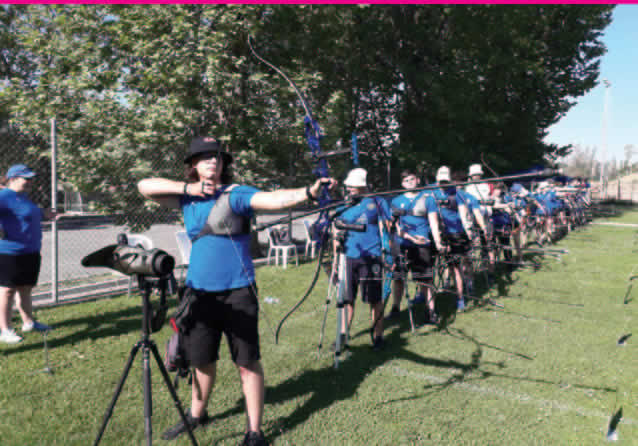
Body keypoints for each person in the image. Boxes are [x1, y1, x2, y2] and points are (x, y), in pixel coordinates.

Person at [138, 136, 336, 445]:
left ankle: (254, 431)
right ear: (193, 165)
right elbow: (144, 186)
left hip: (238, 292)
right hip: (198, 293)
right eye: (204, 157)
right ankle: (197, 415)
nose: (212, 161)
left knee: (247, 361)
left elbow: (274, 199)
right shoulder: (186, 198)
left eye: (216, 157)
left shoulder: (237, 194)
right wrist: (189, 189)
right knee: (201, 359)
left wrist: (308, 192)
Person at [333, 167, 391, 350]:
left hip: (372, 256)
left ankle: (378, 336)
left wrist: (390, 252)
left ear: (363, 186)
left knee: (375, 299)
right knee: (347, 299)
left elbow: (388, 226)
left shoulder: (378, 201)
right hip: (349, 256)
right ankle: (343, 335)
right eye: (348, 186)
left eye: (352, 186)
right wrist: (335, 262)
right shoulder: (343, 206)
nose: (349, 188)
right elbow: (336, 234)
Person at [0, 164, 56, 344]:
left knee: (25, 288)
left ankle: (29, 323)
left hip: (30, 251)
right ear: (12, 179)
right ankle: (5, 330)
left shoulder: (23, 197)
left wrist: (44, 214)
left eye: (31, 178)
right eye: (26, 178)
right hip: (10, 253)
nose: (30, 182)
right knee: (7, 291)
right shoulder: (3, 196)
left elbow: (27, 214)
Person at [388, 170, 441, 325]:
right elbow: (394, 225)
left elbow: (433, 222)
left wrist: (437, 242)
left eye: (412, 179)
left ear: (417, 180)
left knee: (425, 280)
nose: (410, 182)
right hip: (402, 244)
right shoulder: (396, 201)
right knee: (398, 278)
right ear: (402, 184)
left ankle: (431, 312)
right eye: (406, 180)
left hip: (423, 244)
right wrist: (409, 237)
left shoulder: (428, 199)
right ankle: (395, 308)